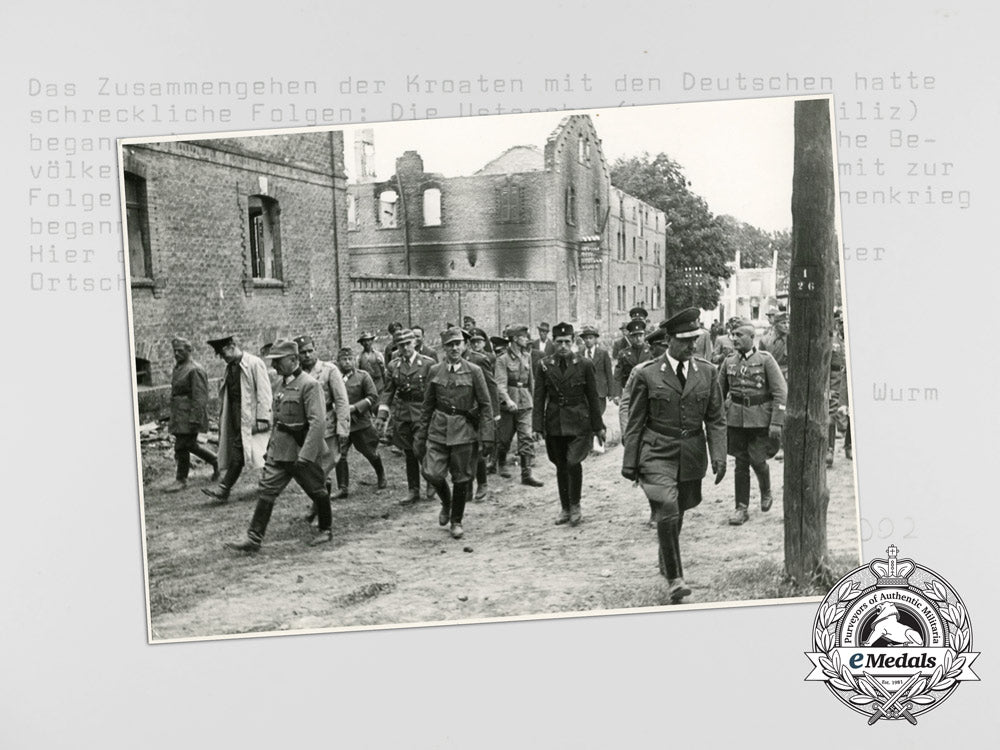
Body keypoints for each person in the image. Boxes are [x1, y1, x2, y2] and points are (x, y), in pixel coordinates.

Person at [622, 308, 727, 604]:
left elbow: (716, 418)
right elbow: (635, 421)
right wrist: (630, 462)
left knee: (677, 510)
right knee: (667, 505)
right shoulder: (647, 374)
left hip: (691, 453)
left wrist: (719, 455)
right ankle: (675, 579)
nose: (692, 346)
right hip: (656, 451)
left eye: (695, 339)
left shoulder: (707, 372)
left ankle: (665, 555)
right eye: (685, 340)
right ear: (669, 340)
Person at [224, 340, 333, 551]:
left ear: (293, 360)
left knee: (317, 489)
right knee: (267, 489)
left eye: (278, 361)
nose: (274, 366)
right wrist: (270, 449)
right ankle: (254, 538)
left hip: (302, 450)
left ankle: (326, 530)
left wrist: (307, 455)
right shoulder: (280, 385)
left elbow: (318, 423)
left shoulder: (309, 385)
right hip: (281, 451)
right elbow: (278, 421)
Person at [414, 328, 493, 539]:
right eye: (450, 344)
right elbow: (427, 405)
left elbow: (486, 405)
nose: (454, 348)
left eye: (458, 343)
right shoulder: (434, 370)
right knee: (431, 472)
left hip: (464, 430)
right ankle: (446, 503)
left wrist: (487, 436)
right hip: (438, 429)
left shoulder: (474, 371)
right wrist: (421, 435)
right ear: (444, 348)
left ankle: (456, 520)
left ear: (464, 345)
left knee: (461, 477)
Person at [533, 323, 606, 526]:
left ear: (574, 342)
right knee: (560, 465)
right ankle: (565, 508)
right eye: (559, 342)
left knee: (573, 462)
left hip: (579, 421)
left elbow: (592, 396)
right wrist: (537, 426)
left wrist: (598, 426)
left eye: (567, 342)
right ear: (554, 343)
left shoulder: (584, 364)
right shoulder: (544, 365)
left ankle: (575, 505)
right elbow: (539, 396)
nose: (563, 346)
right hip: (555, 422)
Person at [720, 321, 787, 525]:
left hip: (760, 421)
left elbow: (781, 393)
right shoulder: (728, 362)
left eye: (740, 335)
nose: (735, 339)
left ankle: (765, 490)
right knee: (740, 464)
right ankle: (741, 507)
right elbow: (718, 393)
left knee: (758, 460)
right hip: (736, 421)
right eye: (733, 335)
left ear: (752, 338)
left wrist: (776, 422)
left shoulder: (765, 360)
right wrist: (718, 419)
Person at [202, 335, 272, 502]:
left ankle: (224, 489)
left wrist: (263, 418)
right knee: (257, 453)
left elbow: (264, 392)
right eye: (220, 354)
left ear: (233, 346)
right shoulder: (231, 367)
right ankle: (269, 482)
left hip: (251, 417)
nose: (222, 357)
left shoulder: (254, 364)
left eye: (224, 352)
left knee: (241, 453)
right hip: (236, 416)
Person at [375, 329, 437, 504]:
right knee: (409, 452)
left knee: (420, 449)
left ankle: (431, 481)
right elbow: (388, 392)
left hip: (422, 412)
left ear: (415, 343)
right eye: (401, 345)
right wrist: (382, 415)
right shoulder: (393, 366)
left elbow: (435, 391)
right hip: (402, 413)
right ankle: (413, 490)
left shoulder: (428, 363)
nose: (405, 348)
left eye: (408, 344)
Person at [618, 326, 669, 527]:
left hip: (670, 431)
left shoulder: (680, 369)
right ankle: (656, 510)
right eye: (660, 347)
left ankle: (666, 508)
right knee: (648, 474)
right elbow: (625, 403)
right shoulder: (640, 371)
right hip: (647, 432)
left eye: (667, 345)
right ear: (652, 348)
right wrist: (626, 433)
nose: (665, 351)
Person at [295, 335, 351, 498]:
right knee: (309, 469)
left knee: (324, 467)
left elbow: (341, 401)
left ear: (315, 350)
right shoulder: (296, 374)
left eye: (310, 351)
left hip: (328, 426)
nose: (307, 355)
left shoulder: (329, 370)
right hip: (305, 427)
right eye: (303, 352)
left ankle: (319, 508)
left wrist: (343, 429)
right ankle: (321, 501)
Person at [165, 336, 217, 492]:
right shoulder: (179, 368)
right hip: (179, 415)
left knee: (181, 446)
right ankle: (215, 461)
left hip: (189, 416)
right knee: (189, 445)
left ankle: (181, 479)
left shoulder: (195, 369)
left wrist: (195, 419)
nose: (176, 354)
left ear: (189, 351)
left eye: (180, 351)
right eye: (174, 351)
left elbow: (200, 398)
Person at [495, 325, 544, 487]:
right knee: (504, 439)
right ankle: (500, 463)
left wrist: (535, 401)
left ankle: (526, 474)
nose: (526, 339)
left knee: (526, 437)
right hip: (509, 405)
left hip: (525, 402)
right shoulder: (502, 359)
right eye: (523, 336)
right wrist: (508, 400)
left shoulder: (526, 356)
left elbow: (531, 381)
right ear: (515, 339)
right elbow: (500, 384)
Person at [334, 347, 387, 496]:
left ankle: (381, 475)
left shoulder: (363, 377)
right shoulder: (334, 377)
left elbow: (373, 397)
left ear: (354, 361)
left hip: (360, 423)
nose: (347, 362)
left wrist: (355, 408)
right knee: (340, 454)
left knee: (370, 451)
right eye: (344, 359)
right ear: (338, 362)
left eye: (350, 359)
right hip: (342, 424)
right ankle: (342, 488)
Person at [463, 327, 499, 500]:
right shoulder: (450, 361)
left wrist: (494, 413)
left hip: (477, 411)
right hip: (460, 413)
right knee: (463, 451)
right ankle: (467, 486)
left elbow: (491, 386)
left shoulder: (479, 359)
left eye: (461, 342)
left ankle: (482, 483)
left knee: (476, 450)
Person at [828, 309, 851, 464]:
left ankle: (849, 445)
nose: (844, 326)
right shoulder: (832, 341)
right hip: (835, 379)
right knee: (831, 412)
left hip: (850, 379)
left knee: (851, 413)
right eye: (842, 323)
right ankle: (829, 449)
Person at [615, 318, 652, 394]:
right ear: (630, 338)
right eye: (635, 336)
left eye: (640, 335)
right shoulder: (623, 354)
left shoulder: (651, 351)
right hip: (630, 391)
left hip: (649, 389)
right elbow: (618, 375)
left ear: (644, 336)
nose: (638, 338)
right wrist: (617, 394)